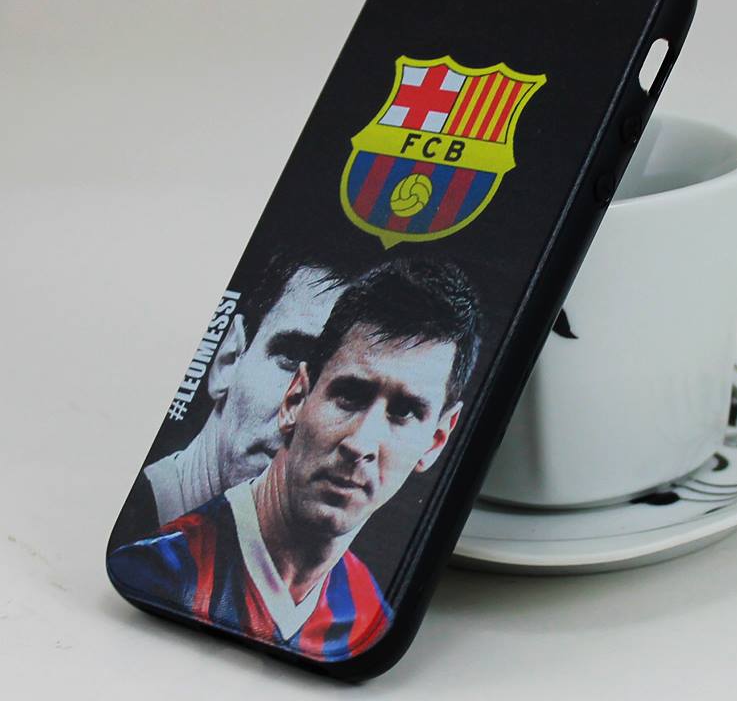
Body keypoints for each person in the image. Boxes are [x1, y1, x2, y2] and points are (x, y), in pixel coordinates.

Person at [108, 258, 481, 662]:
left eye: (405, 412)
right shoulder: (157, 568)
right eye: (349, 395)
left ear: (436, 440)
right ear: (296, 398)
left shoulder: (369, 617)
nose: (361, 443)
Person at [109, 252, 348, 549]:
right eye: (293, 358)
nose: (305, 415)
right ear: (229, 359)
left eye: (348, 392)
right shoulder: (118, 514)